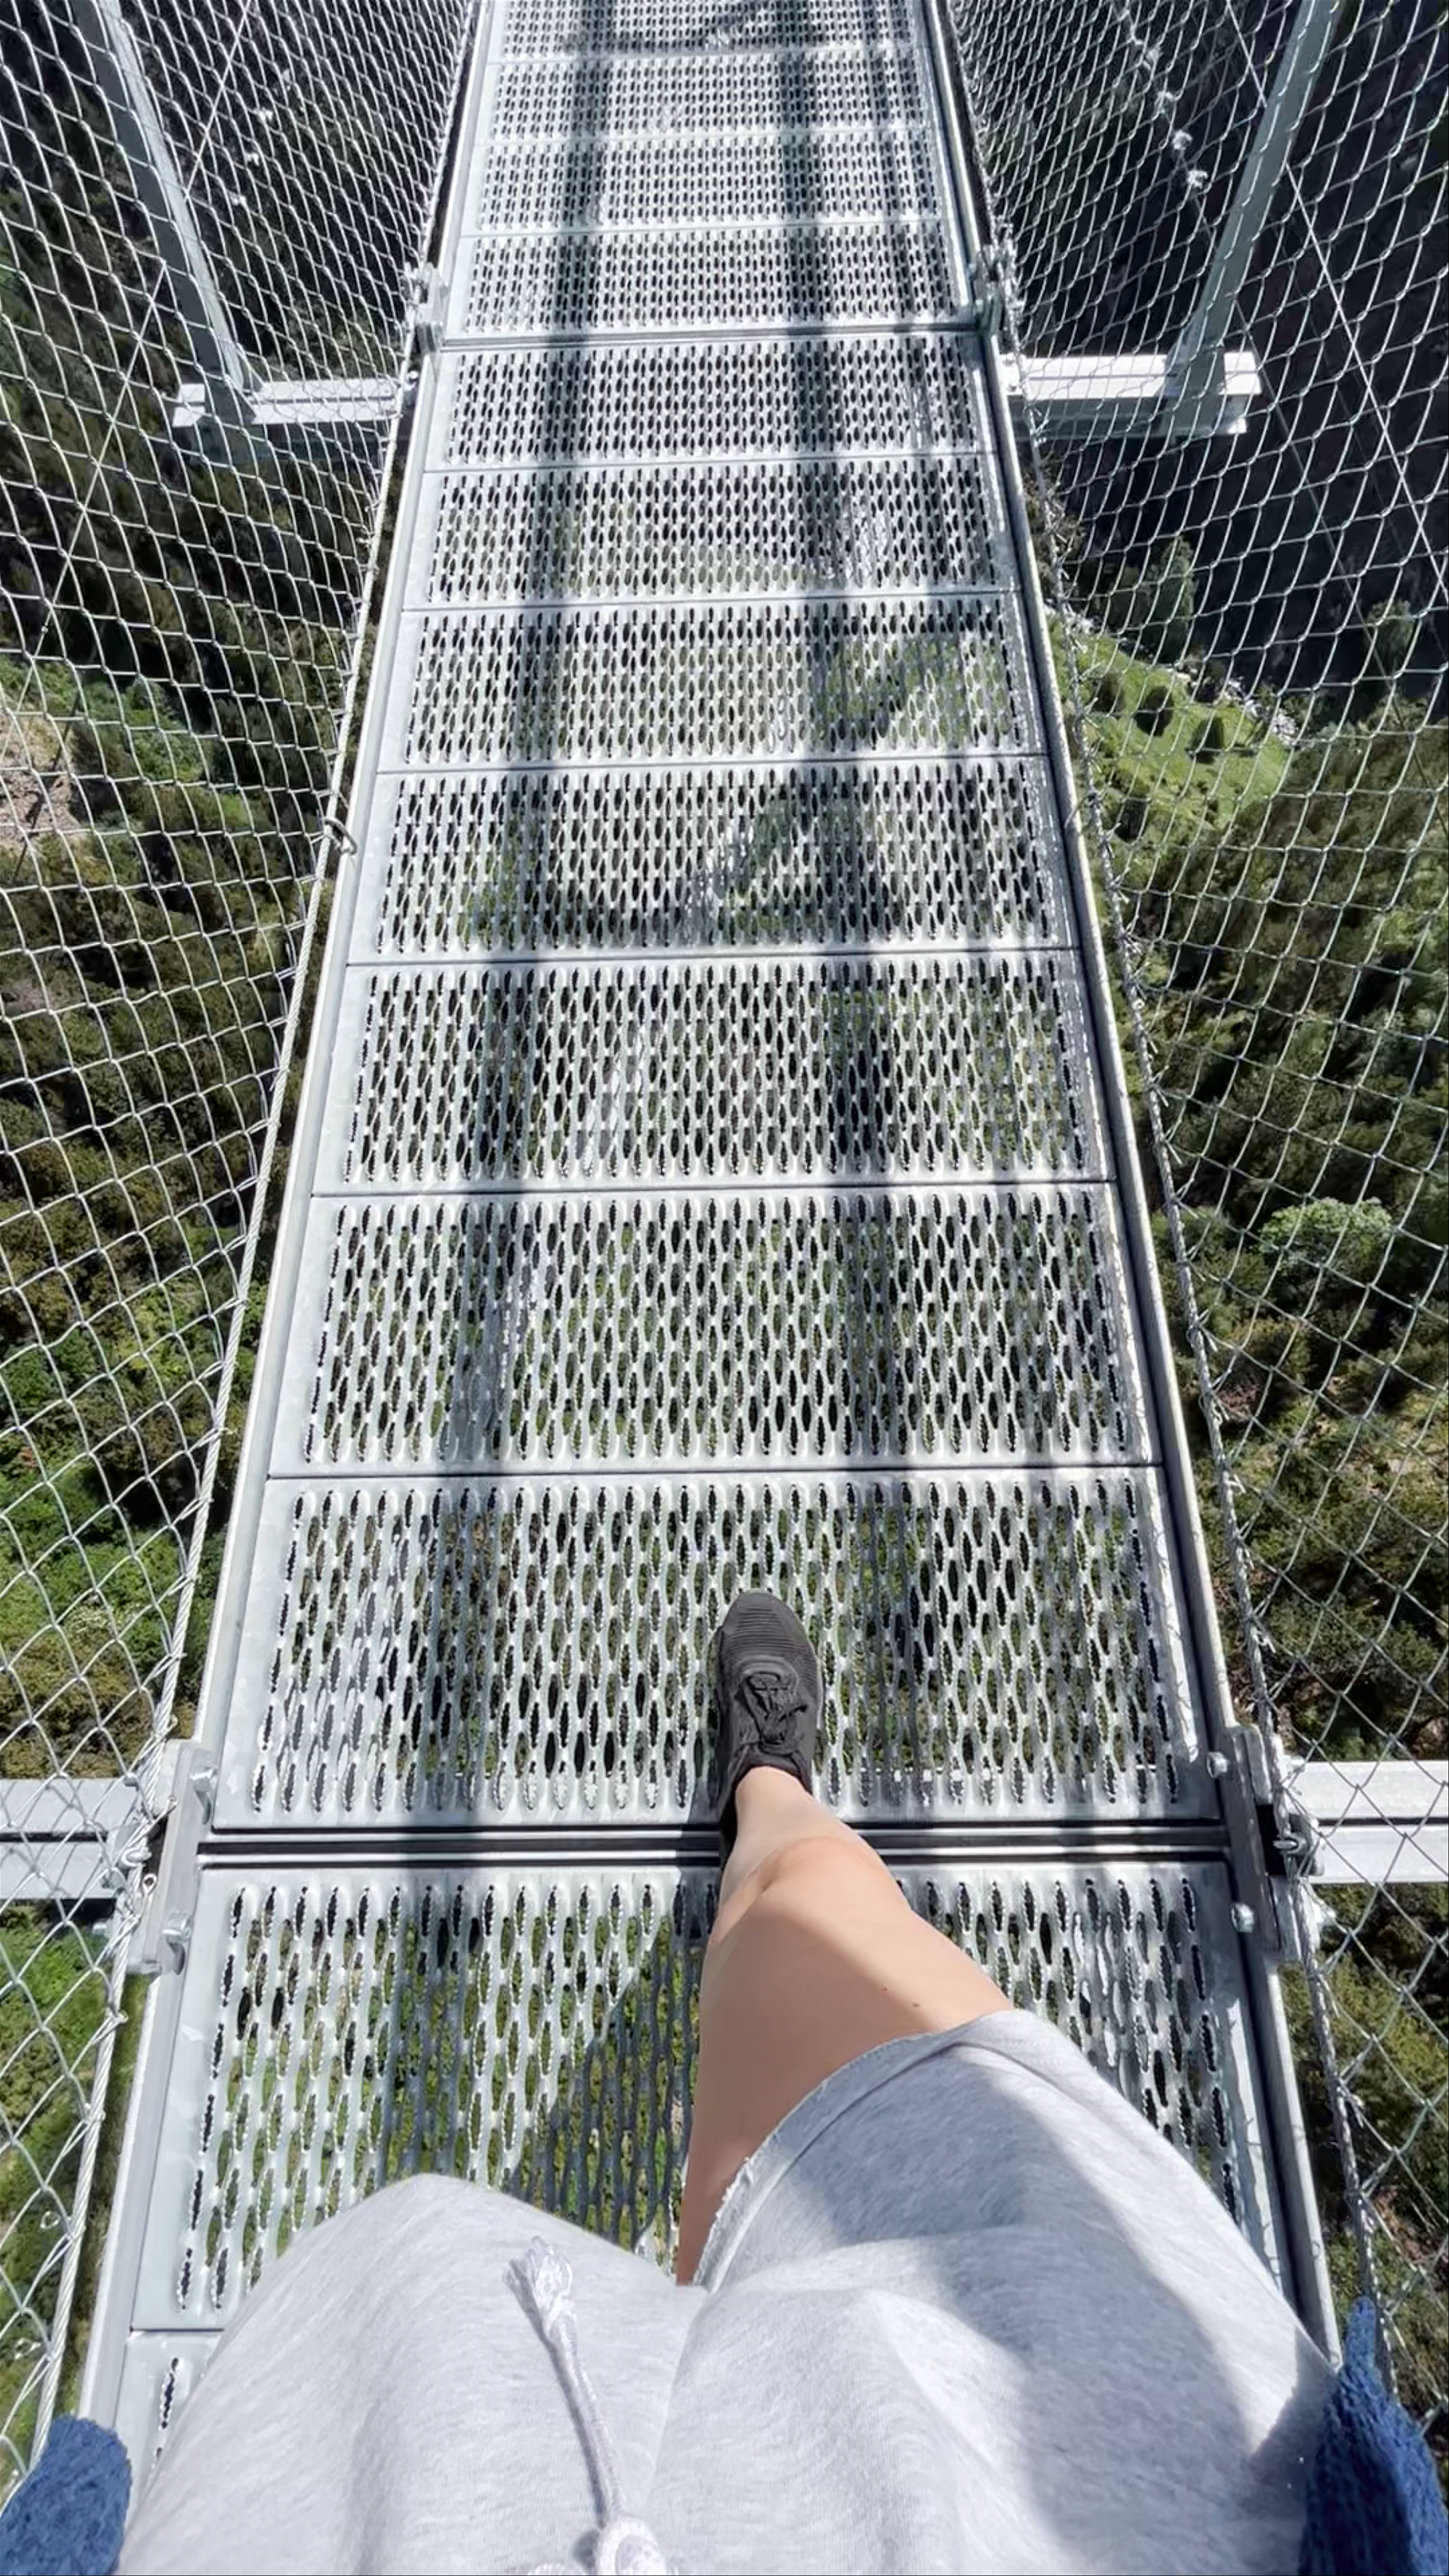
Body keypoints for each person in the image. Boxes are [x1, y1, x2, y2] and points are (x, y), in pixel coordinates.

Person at [5, 1595, 1433, 2576]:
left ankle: (771, 1823)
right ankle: (772, 1797)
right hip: (1103, 2470)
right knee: (805, 1974)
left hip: (396, 2485)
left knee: (768, 2080)